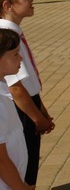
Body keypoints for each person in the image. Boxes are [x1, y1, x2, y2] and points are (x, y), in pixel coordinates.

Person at [0, 0, 55, 186]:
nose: (32, 0)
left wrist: (41, 107)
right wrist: (38, 118)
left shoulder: (13, 33)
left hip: (29, 104)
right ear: (8, 6)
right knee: (25, 170)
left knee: (28, 163)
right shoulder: (7, 39)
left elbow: (27, 83)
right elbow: (16, 88)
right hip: (22, 110)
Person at [0, 28, 32, 190]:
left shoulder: (3, 89)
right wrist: (20, 187)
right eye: (15, 54)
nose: (20, 58)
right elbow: (1, 160)